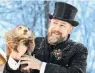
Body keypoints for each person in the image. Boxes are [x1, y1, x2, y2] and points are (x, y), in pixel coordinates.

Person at [3, 2, 88, 73]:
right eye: (55, 23)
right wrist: (14, 58)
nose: (57, 28)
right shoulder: (33, 43)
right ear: (50, 22)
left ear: (70, 29)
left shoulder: (78, 50)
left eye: (62, 25)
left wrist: (41, 66)